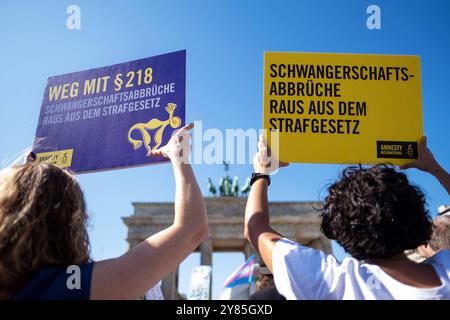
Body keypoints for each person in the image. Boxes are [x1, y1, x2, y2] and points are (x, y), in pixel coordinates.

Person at [0, 123, 208, 300]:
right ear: (71, 220)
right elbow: (191, 229)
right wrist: (180, 157)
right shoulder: (67, 284)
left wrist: (29, 183)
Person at [244, 135, 450, 299]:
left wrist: (261, 172)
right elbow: (256, 229)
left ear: (342, 232)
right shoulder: (446, 269)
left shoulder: (334, 282)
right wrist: (434, 168)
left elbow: (255, 228)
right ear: (416, 214)